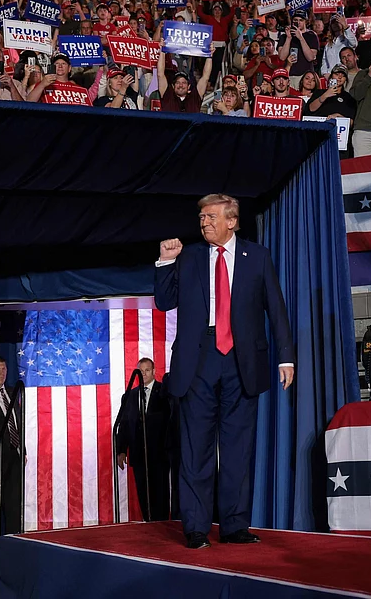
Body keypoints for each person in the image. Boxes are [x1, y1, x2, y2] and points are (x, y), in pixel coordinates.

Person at [154, 194, 295, 549]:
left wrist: (286, 357)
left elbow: (276, 308)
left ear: (231, 221)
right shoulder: (188, 256)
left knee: (237, 448)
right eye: (201, 217)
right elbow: (164, 301)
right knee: (195, 449)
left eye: (211, 217)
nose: (204, 222)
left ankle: (234, 526)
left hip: (242, 362)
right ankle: (196, 528)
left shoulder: (257, 256)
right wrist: (166, 261)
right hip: (198, 360)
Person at [114, 357, 173, 522]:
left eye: (147, 370)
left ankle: (161, 524)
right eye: (141, 371)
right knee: (143, 492)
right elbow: (124, 425)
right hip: (138, 454)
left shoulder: (164, 393)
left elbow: (170, 421)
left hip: (160, 453)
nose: (144, 374)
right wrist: (121, 450)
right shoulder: (129, 396)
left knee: (160, 492)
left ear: (154, 371)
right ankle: (148, 523)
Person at [0, 357, 24, 535]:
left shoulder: (12, 392)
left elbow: (18, 422)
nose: (2, 373)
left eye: (4, 369)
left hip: (15, 454)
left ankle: (15, 538)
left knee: (14, 503)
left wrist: (23, 450)